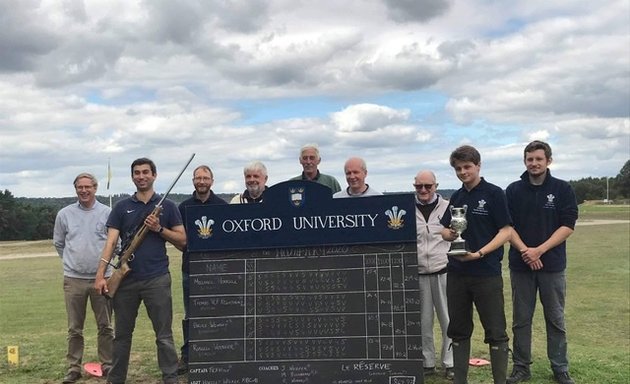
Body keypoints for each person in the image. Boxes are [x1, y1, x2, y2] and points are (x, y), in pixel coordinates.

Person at [94, 158, 186, 384]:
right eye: (137, 173)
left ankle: (170, 378)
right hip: (125, 281)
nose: (141, 176)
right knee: (122, 337)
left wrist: (159, 228)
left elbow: (183, 241)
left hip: (157, 279)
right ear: (132, 177)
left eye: (146, 172)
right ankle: (116, 379)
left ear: (154, 175)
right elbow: (111, 242)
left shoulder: (169, 206)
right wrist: (100, 274)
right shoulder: (121, 207)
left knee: (164, 336)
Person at [506, 141, 578, 384]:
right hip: (520, 265)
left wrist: (540, 250)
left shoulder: (562, 189)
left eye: (538, 159)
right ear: (524, 161)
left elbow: (567, 226)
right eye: (529, 159)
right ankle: (521, 367)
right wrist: (527, 251)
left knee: (555, 319)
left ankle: (560, 368)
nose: (534, 163)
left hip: (553, 266)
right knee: (521, 320)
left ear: (548, 160)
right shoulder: (513, 190)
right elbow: (507, 227)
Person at [439, 145, 511, 384]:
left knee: (495, 329)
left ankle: (499, 380)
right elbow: (446, 228)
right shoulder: (457, 197)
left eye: (467, 167)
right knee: (458, 328)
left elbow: (506, 231)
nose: (462, 172)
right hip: (457, 273)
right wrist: (447, 234)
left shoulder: (494, 193)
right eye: (458, 168)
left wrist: (480, 253)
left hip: (486, 272)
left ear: (478, 166)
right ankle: (460, 380)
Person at [53, 173, 114, 384]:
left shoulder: (108, 213)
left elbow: (116, 244)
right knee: (74, 328)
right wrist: (73, 263)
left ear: (95, 188)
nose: (84, 191)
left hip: (102, 279)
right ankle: (73, 368)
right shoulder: (64, 214)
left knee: (105, 326)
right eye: (80, 187)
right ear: (75, 189)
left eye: (88, 187)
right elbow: (59, 243)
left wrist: (104, 270)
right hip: (74, 280)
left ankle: (107, 364)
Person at [176, 165, 227, 374]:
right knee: (191, 315)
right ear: (193, 181)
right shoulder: (184, 208)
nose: (202, 181)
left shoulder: (222, 206)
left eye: (205, 178)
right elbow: (180, 239)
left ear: (212, 181)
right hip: (191, 269)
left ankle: (220, 354)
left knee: (220, 313)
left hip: (218, 270)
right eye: (198, 178)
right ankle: (188, 356)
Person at [413, 170, 454, 380]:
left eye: (427, 186)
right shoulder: (407, 210)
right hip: (419, 272)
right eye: (419, 186)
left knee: (448, 319)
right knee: (423, 321)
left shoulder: (448, 207)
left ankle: (450, 363)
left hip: (443, 270)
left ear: (435, 186)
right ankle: (426, 362)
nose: (423, 190)